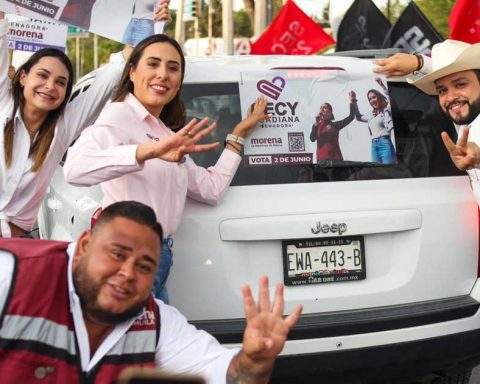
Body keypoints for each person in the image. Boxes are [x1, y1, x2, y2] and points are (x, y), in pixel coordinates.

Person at [63, 34, 270, 303]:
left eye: (173, 68)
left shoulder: (163, 131)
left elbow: (211, 189)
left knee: (149, 341)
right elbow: (76, 169)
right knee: (133, 342)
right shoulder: (119, 114)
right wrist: (149, 151)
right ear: (133, 72)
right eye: (153, 64)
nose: (163, 74)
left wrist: (239, 133)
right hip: (127, 255)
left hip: (159, 257)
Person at [0, 200, 303, 383]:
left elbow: (221, 375)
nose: (128, 273)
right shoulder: (14, 275)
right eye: (117, 254)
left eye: (145, 266)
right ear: (83, 247)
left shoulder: (154, 321)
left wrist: (254, 361)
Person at [0, 4, 174, 239]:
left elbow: (112, 76)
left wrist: (147, 22)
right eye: (42, 75)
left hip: (17, 246)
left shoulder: (63, 127)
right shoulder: (4, 106)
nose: (50, 86)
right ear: (22, 77)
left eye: (61, 82)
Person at [374, 40, 480, 200]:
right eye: (442, 90)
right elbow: (449, 72)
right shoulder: (464, 117)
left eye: (460, 85)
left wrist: (477, 154)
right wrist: (419, 63)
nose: (450, 97)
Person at [351, 78, 397, 164]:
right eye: (370, 99)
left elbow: (391, 100)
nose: (372, 100)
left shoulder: (386, 110)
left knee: (388, 171)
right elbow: (358, 117)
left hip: (385, 144)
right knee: (376, 171)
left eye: (374, 97)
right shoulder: (371, 116)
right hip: (374, 146)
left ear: (379, 97)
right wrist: (354, 101)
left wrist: (383, 86)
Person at [309, 92, 356, 161]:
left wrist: (352, 101)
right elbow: (312, 139)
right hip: (322, 160)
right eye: (320, 108)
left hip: (336, 160)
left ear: (330, 112)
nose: (321, 109)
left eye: (324, 107)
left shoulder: (335, 125)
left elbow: (351, 117)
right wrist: (316, 123)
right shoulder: (316, 126)